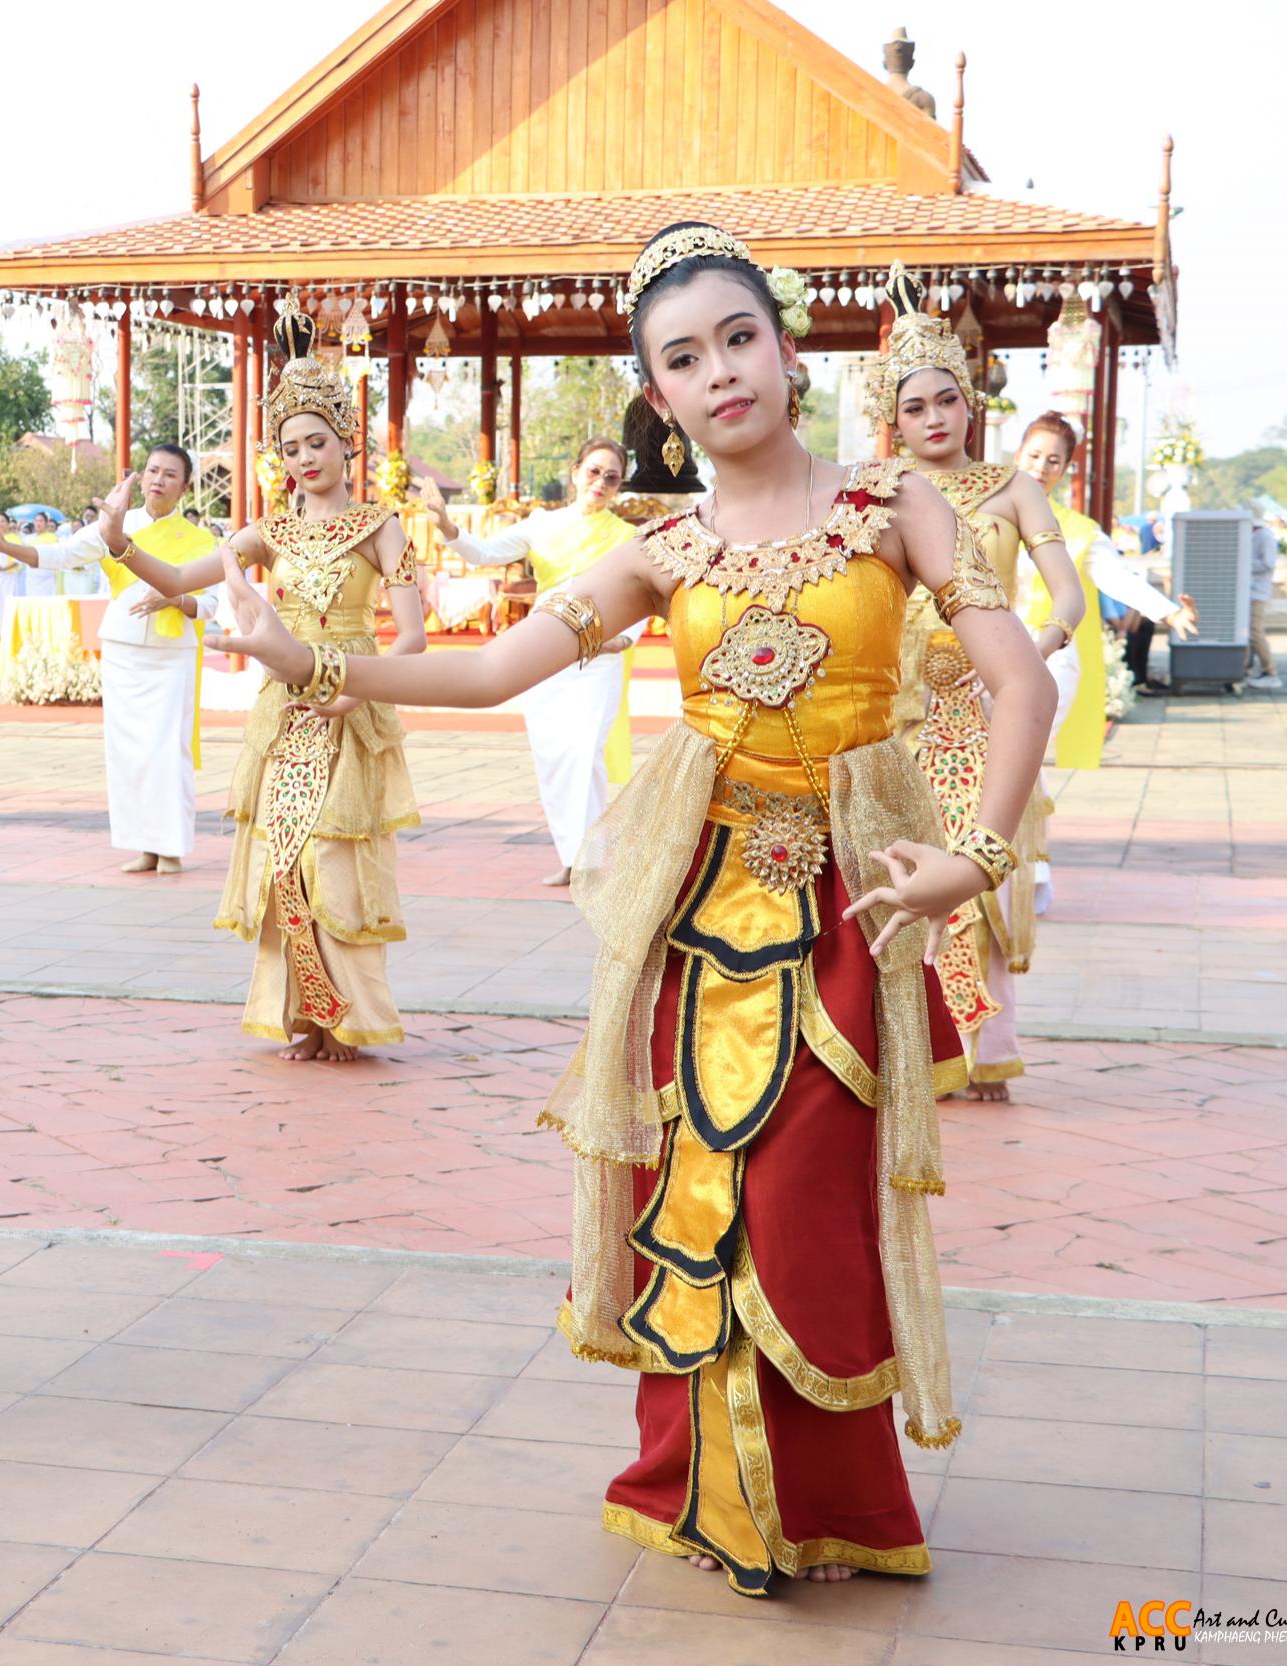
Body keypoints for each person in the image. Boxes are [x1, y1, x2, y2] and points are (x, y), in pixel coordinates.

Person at [210, 223, 1053, 1592]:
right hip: (695, 910)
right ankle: (717, 1498)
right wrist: (305, 657)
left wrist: (976, 855)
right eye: (682, 358)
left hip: (849, 906)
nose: (719, 371)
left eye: (737, 338)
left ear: (787, 349)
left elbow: (1024, 684)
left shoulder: (897, 507)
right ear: (657, 399)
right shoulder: (663, 547)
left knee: (804, 1198)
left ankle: (826, 1495)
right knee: (700, 1185)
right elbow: (495, 677)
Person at [116, 301, 425, 1061]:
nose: (304, 459)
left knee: (336, 866)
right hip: (285, 714)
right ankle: (307, 1017)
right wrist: (119, 541)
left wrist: (352, 694)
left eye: (316, 442)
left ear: (345, 443)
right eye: (289, 448)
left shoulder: (382, 527)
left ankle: (347, 1020)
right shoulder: (268, 531)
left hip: (347, 705)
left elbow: (413, 639)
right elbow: (183, 573)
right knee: (281, 863)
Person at [877, 266, 1085, 1102]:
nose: (933, 420)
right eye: (913, 408)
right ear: (893, 421)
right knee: (894, 873)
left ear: (971, 402)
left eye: (945, 401)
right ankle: (913, 1052)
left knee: (976, 868)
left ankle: (983, 1045)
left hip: (980, 711)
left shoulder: (1013, 486)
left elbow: (1067, 593)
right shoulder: (877, 492)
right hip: (895, 716)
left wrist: (1022, 656)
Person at [0, 444, 220, 875]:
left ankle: (171, 849)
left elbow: (212, 604)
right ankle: (143, 845)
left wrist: (177, 597)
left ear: (185, 487)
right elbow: (61, 556)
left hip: (171, 655)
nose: (158, 480)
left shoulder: (200, 540)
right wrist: (6, 546)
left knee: (167, 751)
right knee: (128, 752)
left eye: (170, 474)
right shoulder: (117, 524)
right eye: (152, 471)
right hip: (123, 650)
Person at [416, 438, 643, 885]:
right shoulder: (543, 525)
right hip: (546, 655)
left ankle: (591, 860)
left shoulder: (626, 538)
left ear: (619, 486)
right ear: (576, 471)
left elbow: (640, 597)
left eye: (611, 477)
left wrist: (617, 642)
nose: (600, 482)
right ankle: (573, 858)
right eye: (594, 472)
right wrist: (443, 523)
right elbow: (484, 553)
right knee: (555, 756)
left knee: (584, 755)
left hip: (598, 656)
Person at [1010, 415, 1110, 768]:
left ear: (1065, 468)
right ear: (1017, 454)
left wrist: (1170, 612)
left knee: (1020, 759)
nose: (1041, 467)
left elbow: (1117, 577)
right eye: (1034, 456)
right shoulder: (988, 515)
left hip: (1050, 655)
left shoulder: (1079, 530)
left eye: (1053, 461)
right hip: (988, 650)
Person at [1244, 515, 1281, 689]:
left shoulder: (1265, 536)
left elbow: (1268, 563)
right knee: (1249, 633)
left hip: (1257, 592)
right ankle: (1246, 669)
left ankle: (1270, 671)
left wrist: (1243, 564)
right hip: (1249, 591)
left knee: (1255, 633)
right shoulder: (1254, 534)